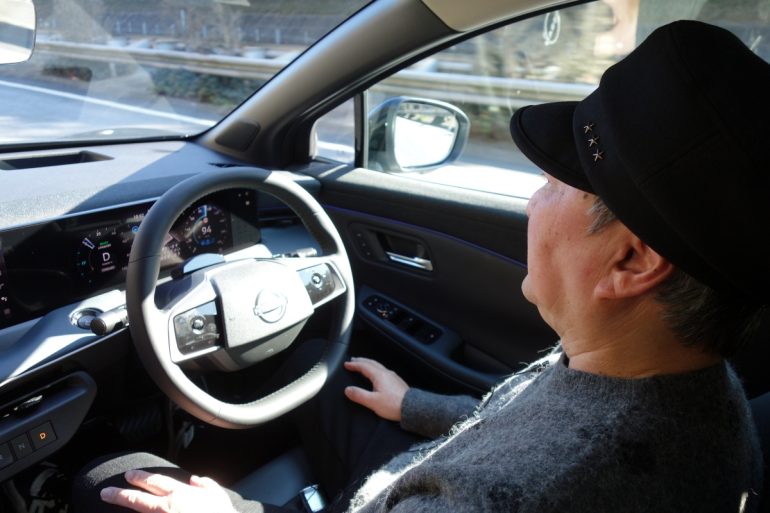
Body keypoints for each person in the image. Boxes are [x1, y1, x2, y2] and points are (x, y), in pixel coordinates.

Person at [76, 19, 768, 513]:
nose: (534, 198)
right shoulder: (688, 387)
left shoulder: (522, 492)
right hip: (420, 473)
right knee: (316, 364)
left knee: (105, 478)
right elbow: (521, 423)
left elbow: (518, 468)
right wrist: (415, 405)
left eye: (556, 182)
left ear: (632, 260)